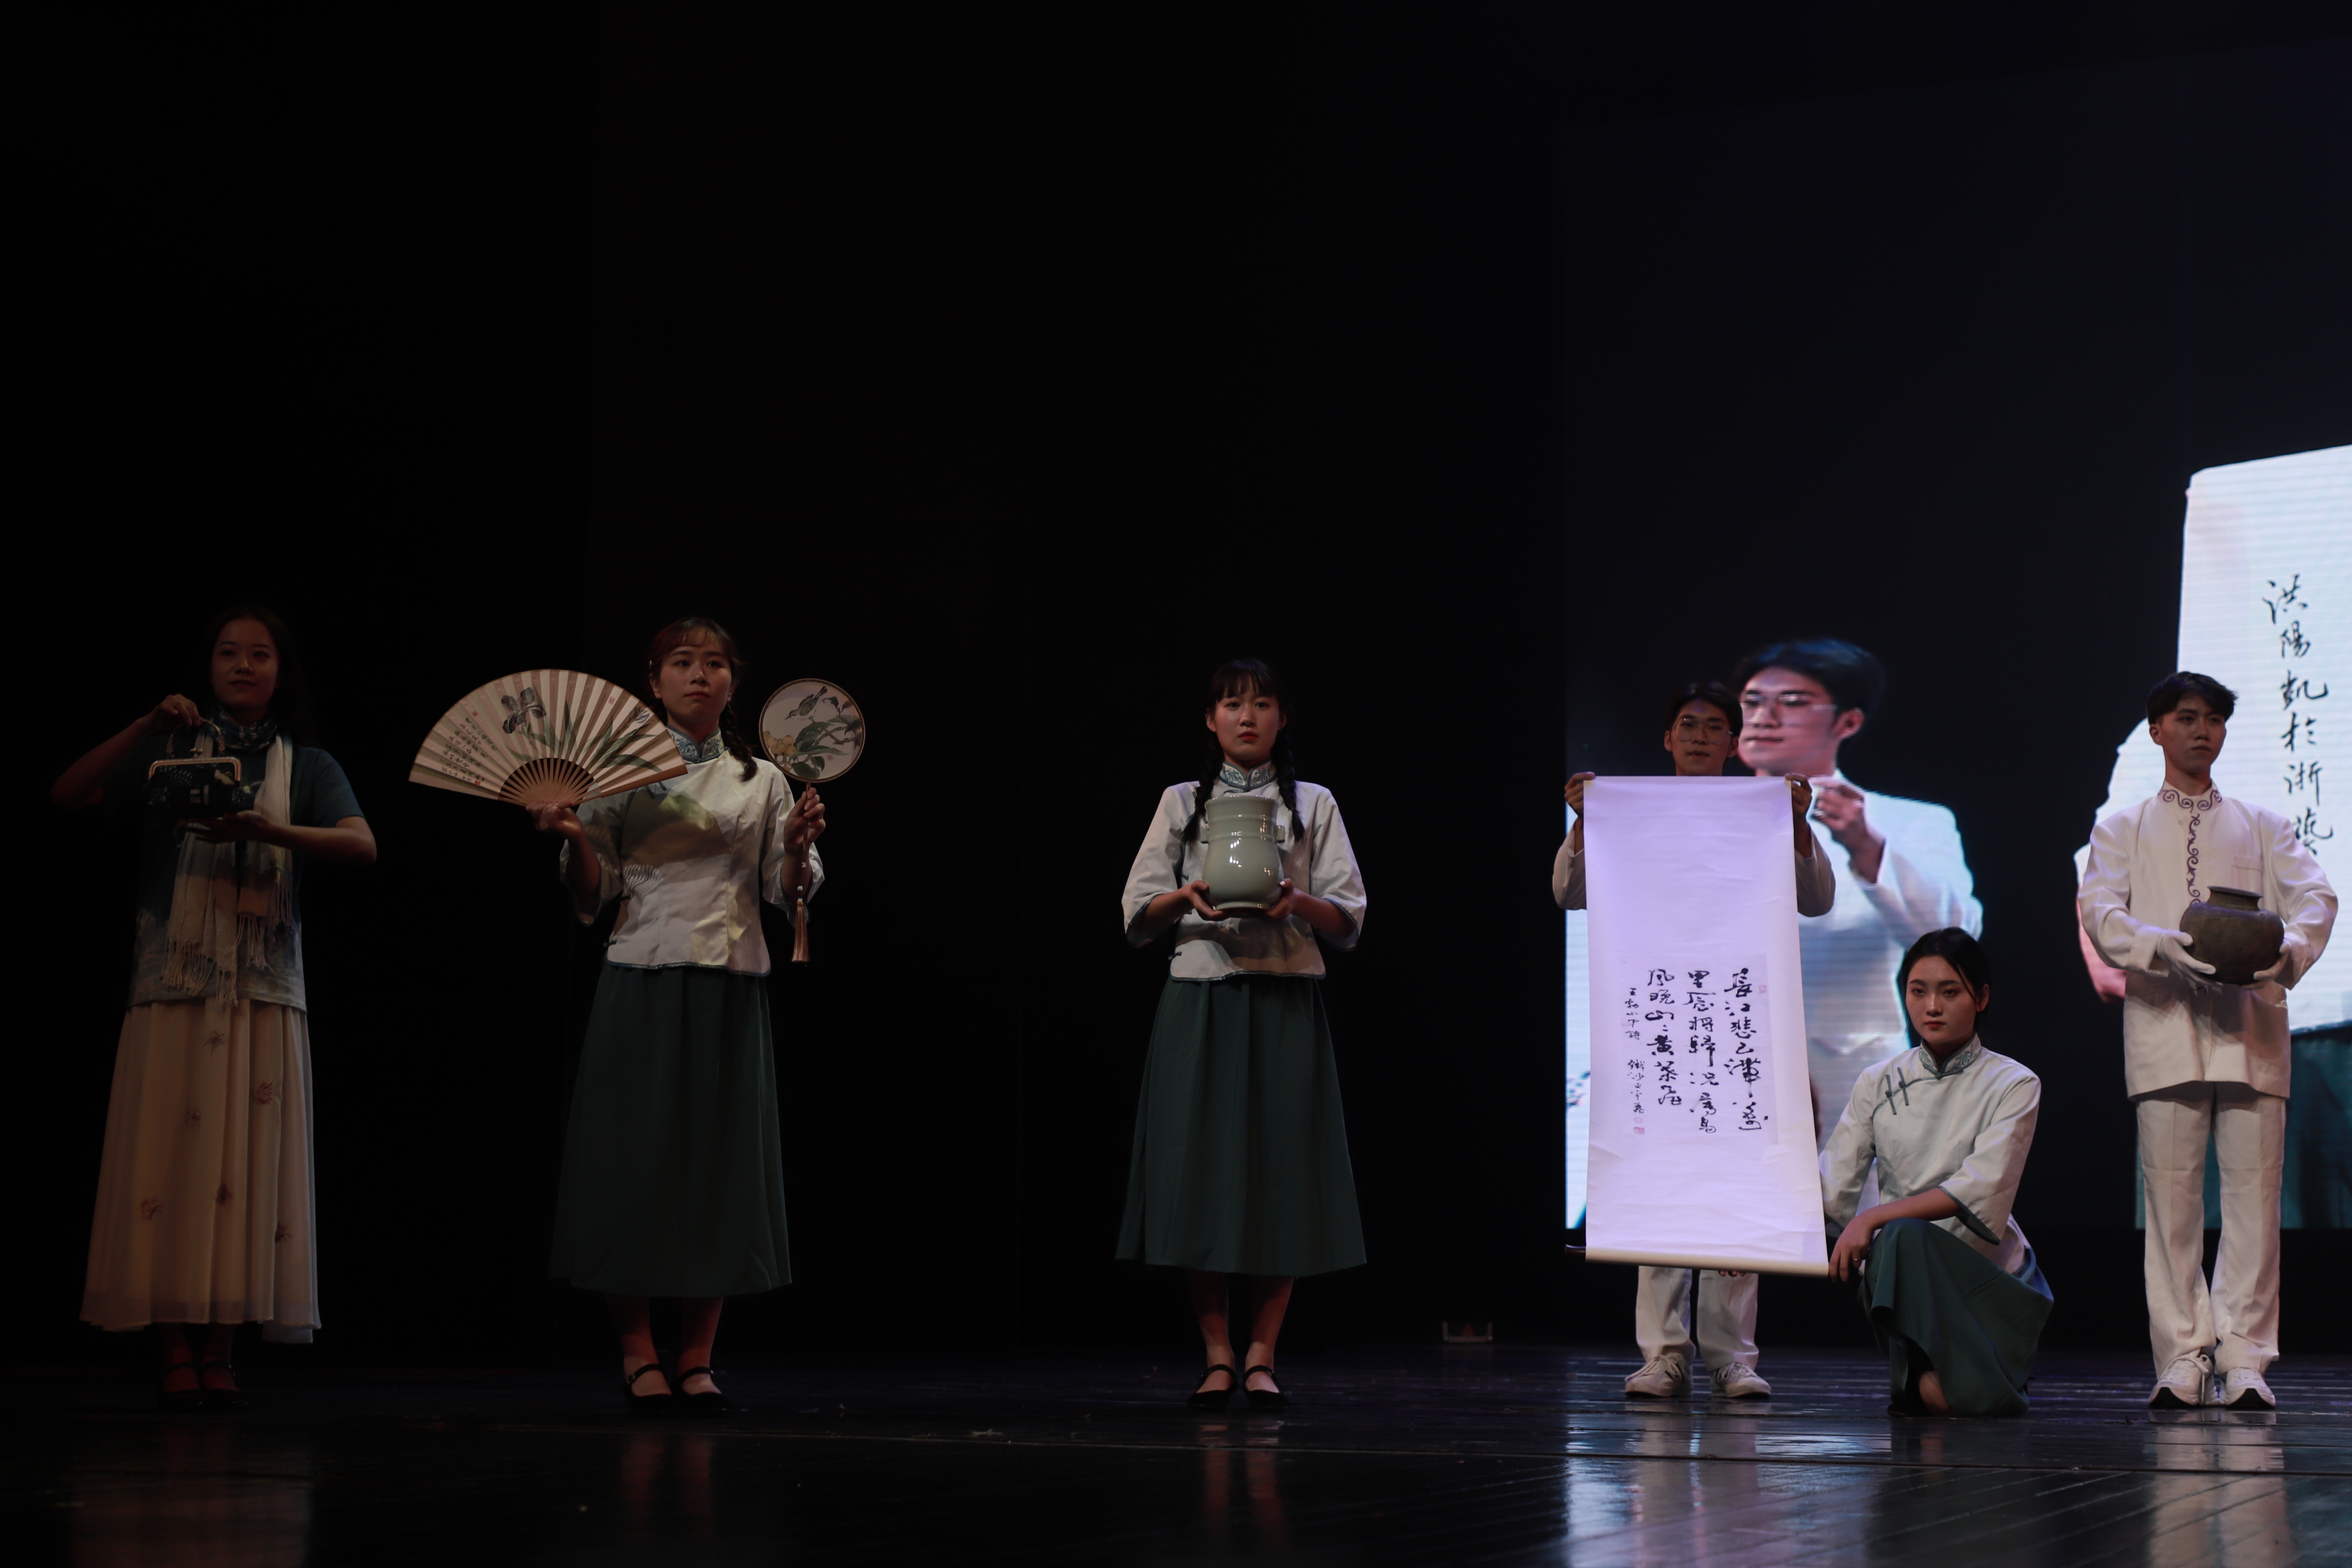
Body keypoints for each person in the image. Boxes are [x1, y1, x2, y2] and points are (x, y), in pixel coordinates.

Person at [52, 607, 375, 1410]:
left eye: (260, 654)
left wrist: (273, 832)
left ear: (280, 670)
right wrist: (144, 724)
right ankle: (171, 1346)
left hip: (262, 984)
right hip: (174, 979)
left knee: (243, 1167)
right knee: (167, 1162)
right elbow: (68, 793)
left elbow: (362, 844)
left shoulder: (306, 762)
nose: (243, 666)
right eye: (229, 653)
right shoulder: (167, 750)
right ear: (207, 667)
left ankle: (222, 1347)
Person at [533, 617, 827, 1415]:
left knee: (716, 1168)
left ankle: (697, 1356)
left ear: (734, 683)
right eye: (684, 662)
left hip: (730, 980)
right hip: (641, 973)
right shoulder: (618, 772)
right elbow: (592, 890)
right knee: (632, 1164)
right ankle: (637, 1352)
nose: (700, 674)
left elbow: (788, 892)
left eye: (716, 663)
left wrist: (797, 845)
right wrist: (573, 833)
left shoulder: (762, 779)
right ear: (654, 679)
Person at [1558, 680, 1833, 1400]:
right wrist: (1585, 824)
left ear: (1733, 742)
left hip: (1736, 1010)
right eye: (1689, 724)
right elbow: (1568, 892)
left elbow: (1818, 900)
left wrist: (1797, 826)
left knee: (1739, 1180)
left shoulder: (1761, 809)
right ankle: (1664, 1353)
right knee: (1659, 1176)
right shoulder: (1631, 809)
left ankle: (1732, 1355)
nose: (1701, 737)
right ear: (1668, 738)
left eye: (1715, 727)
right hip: (1657, 1012)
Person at [2079, 672, 2337, 1410]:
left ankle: (2246, 1357)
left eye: (2215, 719)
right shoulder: (2122, 828)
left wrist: (2286, 952)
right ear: (2157, 729)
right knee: (2171, 1202)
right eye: (2187, 717)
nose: (2203, 731)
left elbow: (2317, 898)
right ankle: (2183, 1356)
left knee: (2255, 1200)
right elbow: (2100, 911)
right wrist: (2160, 946)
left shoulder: (2262, 824)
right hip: (2165, 1026)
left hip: (2251, 1028)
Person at [1118, 659, 1369, 1412]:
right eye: (1233, 704)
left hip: (1286, 997)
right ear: (1211, 719)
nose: (1248, 716)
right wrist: (1186, 898)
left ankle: (1263, 1355)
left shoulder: (1313, 802)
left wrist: (1295, 904)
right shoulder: (1182, 801)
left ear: (1283, 717)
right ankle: (1217, 1354)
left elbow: (1350, 915)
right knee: (1199, 1174)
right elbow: (1136, 912)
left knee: (1282, 1173)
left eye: (1262, 704)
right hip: (1201, 994)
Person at [1731, 639, 1983, 1137]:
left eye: (1793, 703)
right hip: (1723, 1064)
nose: (1763, 717)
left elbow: (1954, 937)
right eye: (1752, 702)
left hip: (1850, 1078)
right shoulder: (1696, 819)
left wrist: (1867, 846)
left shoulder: (1904, 822)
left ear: (1847, 722)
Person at [1824, 929, 2049, 1417]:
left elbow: (1980, 1187)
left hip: (1987, 1279)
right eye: (1918, 991)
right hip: (1903, 1276)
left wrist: (1874, 1217)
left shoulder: (2014, 1082)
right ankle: (1936, 1374)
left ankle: (1957, 1375)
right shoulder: (1877, 1081)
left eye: (1950, 992)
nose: (1932, 1007)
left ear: (1981, 998)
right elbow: (1831, 1188)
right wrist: (1763, 1246)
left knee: (1902, 1233)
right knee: (1900, 1239)